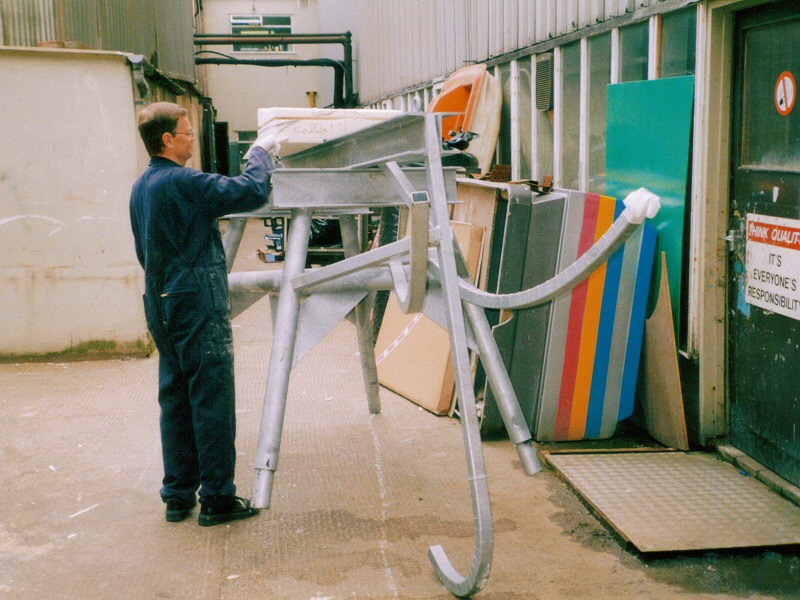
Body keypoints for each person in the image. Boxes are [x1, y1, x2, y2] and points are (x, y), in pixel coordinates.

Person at [129, 102, 281, 526]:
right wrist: (261, 155)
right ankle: (217, 498)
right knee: (211, 396)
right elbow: (249, 191)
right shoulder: (182, 181)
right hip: (195, 299)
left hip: (159, 299)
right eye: (188, 132)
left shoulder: (141, 187)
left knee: (176, 398)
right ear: (167, 140)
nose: (193, 139)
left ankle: (178, 496)